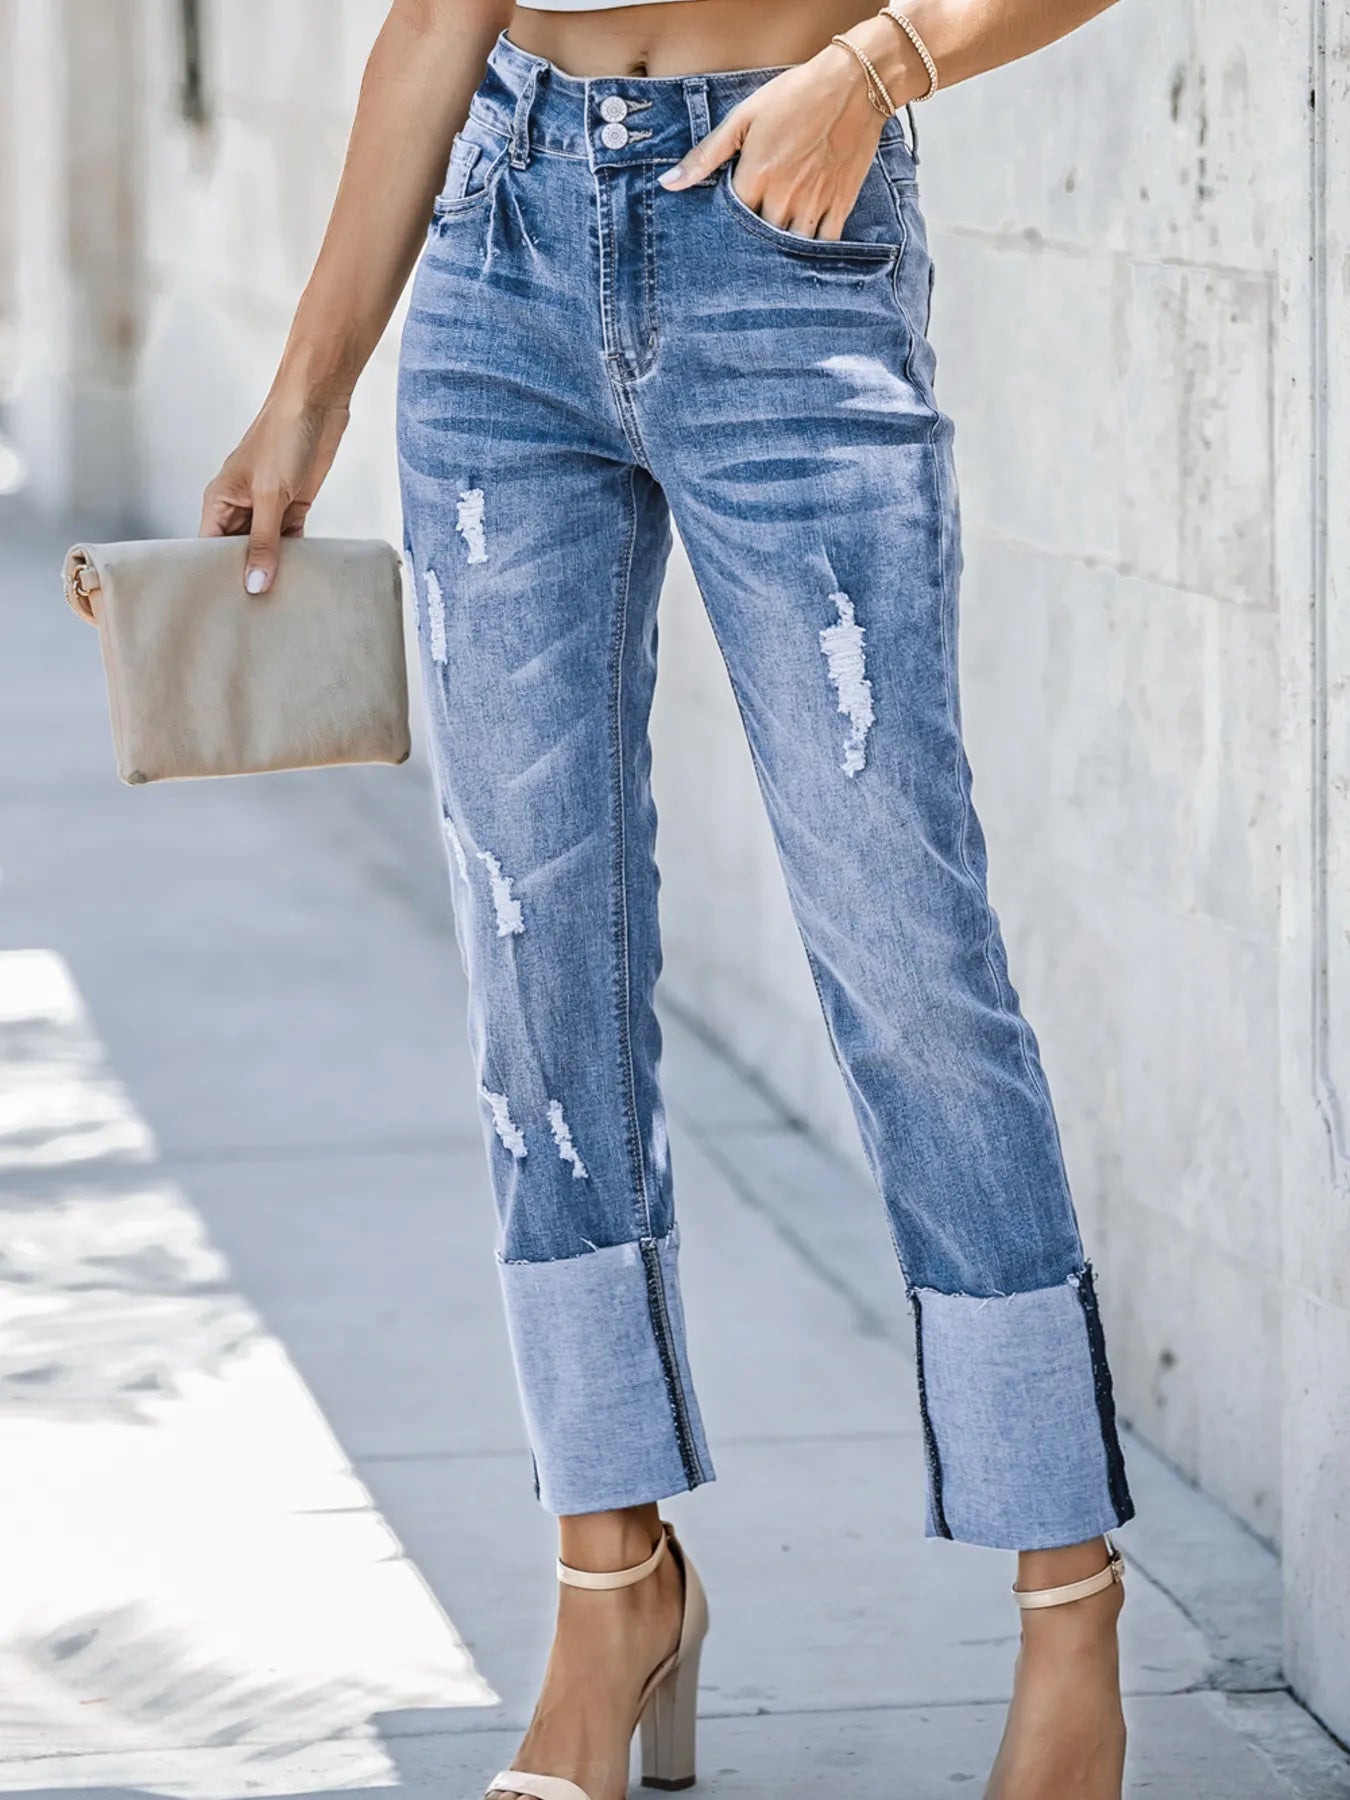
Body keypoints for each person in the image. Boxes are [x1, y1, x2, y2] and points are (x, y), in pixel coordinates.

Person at [203, 2, 1132, 1795]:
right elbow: (431, 18)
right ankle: (607, 1586)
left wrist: (873, 72)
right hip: (502, 256)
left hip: (785, 231)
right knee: (535, 960)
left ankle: (1067, 1605)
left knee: (901, 941)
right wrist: (307, 393)